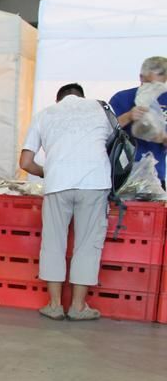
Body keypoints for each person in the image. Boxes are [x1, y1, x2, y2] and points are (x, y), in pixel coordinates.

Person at [19, 82, 114, 321]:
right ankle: (78, 307)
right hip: (95, 182)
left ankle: (54, 305)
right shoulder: (101, 108)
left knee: (53, 243)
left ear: (58, 99)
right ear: (81, 97)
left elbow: (26, 163)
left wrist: (46, 172)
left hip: (57, 183)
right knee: (87, 244)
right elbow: (114, 143)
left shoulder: (44, 114)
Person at [109, 56, 167, 185]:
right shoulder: (122, 98)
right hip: (123, 175)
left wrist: (163, 138)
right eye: (151, 84)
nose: (154, 90)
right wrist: (128, 116)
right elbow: (106, 132)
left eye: (160, 85)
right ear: (141, 78)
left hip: (156, 176)